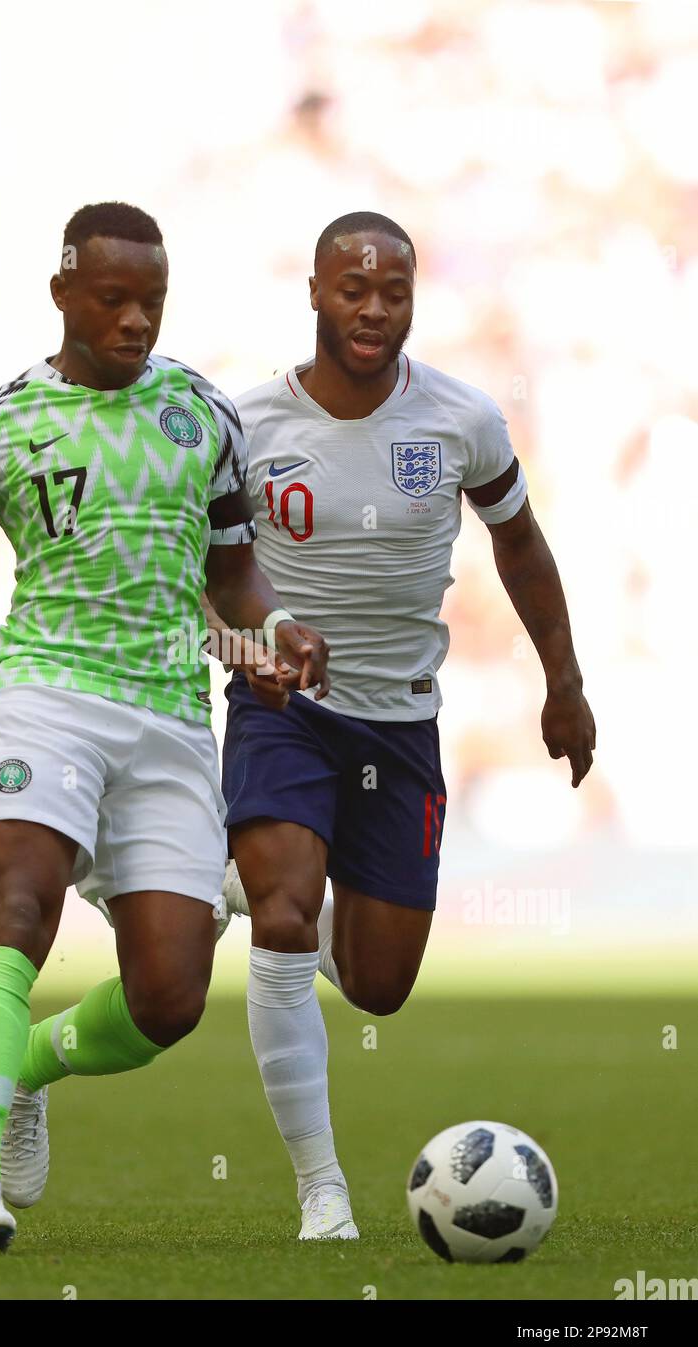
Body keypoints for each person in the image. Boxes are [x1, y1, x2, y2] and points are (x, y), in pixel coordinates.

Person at [0, 201, 328, 1254]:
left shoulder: (204, 417)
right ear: (62, 296)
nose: (136, 321)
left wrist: (269, 626)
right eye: (114, 300)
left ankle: (28, 1068)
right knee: (19, 903)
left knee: (169, 997)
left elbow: (231, 574)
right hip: (45, 694)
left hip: (171, 712)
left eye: (152, 302)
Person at [214, 210, 596, 1242]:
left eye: (392, 292)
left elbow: (519, 546)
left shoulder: (462, 419)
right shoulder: (245, 424)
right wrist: (252, 648)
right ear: (312, 292)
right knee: (291, 918)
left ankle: (232, 883)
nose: (372, 309)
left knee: (378, 985)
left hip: (400, 725)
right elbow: (207, 579)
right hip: (282, 709)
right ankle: (320, 1191)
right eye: (351, 289)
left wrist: (560, 682)